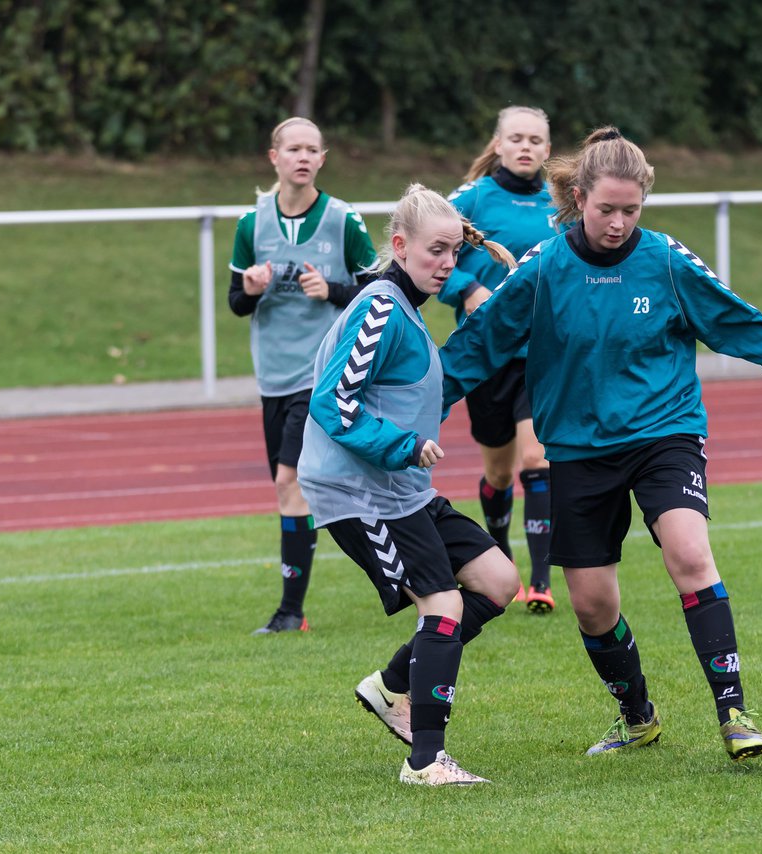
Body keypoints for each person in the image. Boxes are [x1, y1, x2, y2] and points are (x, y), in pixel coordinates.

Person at [440, 127, 762, 763]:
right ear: (579, 198)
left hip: (665, 432)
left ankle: (735, 713)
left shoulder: (665, 260)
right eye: (605, 209)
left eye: (630, 210)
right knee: (592, 605)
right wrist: (417, 407)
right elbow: (480, 344)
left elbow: (739, 325)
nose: (617, 223)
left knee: (690, 552)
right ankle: (638, 717)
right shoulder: (544, 269)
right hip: (579, 450)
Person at [298, 184, 520, 785]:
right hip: (356, 492)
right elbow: (331, 401)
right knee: (443, 605)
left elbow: (415, 393)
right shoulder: (379, 307)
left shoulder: (407, 309)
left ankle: (393, 684)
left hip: (402, 489)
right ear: (399, 245)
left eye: (453, 252)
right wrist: (403, 445)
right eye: (435, 251)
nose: (447, 263)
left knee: (498, 581)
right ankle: (425, 760)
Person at [228, 117, 378, 635]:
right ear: (274, 157)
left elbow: (378, 293)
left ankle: (291, 612)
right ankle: (399, 567)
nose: (302, 157)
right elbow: (235, 304)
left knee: (288, 481)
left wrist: (332, 290)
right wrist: (249, 288)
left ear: (322, 159)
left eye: (312, 149)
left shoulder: (343, 220)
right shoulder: (253, 223)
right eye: (293, 149)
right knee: (303, 490)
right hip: (273, 375)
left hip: (322, 373)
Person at [440, 106, 559, 613]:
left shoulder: (563, 201)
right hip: (487, 355)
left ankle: (540, 581)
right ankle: (499, 552)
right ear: (500, 144)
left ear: (548, 150)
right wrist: (465, 288)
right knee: (497, 473)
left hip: (544, 354)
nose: (526, 146)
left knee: (537, 459)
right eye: (517, 138)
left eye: (536, 139)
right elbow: (423, 252)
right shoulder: (471, 200)